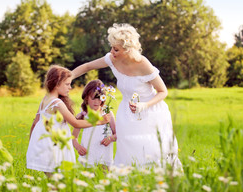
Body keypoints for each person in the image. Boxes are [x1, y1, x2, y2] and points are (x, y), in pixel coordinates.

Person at [72, 23, 181, 168]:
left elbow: (163, 91)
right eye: (111, 47)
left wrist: (144, 105)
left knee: (151, 150)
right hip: (127, 112)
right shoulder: (112, 59)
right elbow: (87, 67)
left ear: (128, 49)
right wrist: (68, 77)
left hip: (150, 111)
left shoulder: (143, 64)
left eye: (116, 49)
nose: (112, 52)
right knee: (128, 148)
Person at [26, 65, 110, 176]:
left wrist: (32, 145)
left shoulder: (45, 100)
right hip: (53, 147)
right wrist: (100, 121)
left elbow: (34, 123)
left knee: (53, 180)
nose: (69, 87)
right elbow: (75, 123)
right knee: (57, 182)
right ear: (56, 83)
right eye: (67, 84)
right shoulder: (57, 103)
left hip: (44, 146)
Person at [72, 79, 117, 169]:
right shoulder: (82, 115)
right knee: (89, 179)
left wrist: (111, 138)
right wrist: (78, 147)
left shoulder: (107, 114)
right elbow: (73, 137)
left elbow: (117, 133)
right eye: (93, 98)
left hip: (104, 154)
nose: (96, 101)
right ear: (86, 98)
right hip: (89, 155)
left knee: (105, 178)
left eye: (99, 98)